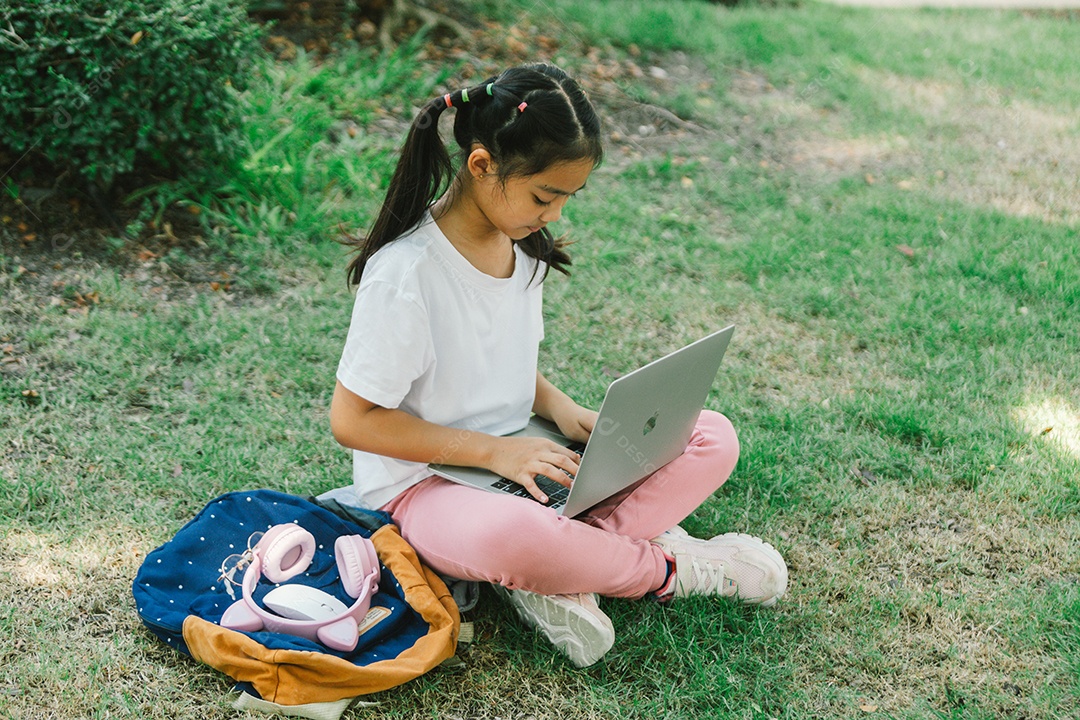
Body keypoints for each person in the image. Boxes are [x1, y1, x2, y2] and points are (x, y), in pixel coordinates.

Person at [328, 63, 788, 668]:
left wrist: (563, 411)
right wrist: (495, 454)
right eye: (546, 195)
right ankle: (668, 569)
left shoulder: (519, 248)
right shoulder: (407, 275)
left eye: (569, 197)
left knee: (710, 436)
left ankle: (560, 572)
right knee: (514, 536)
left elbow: (495, 361)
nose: (557, 215)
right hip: (427, 485)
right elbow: (355, 420)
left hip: (527, 455)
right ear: (482, 165)